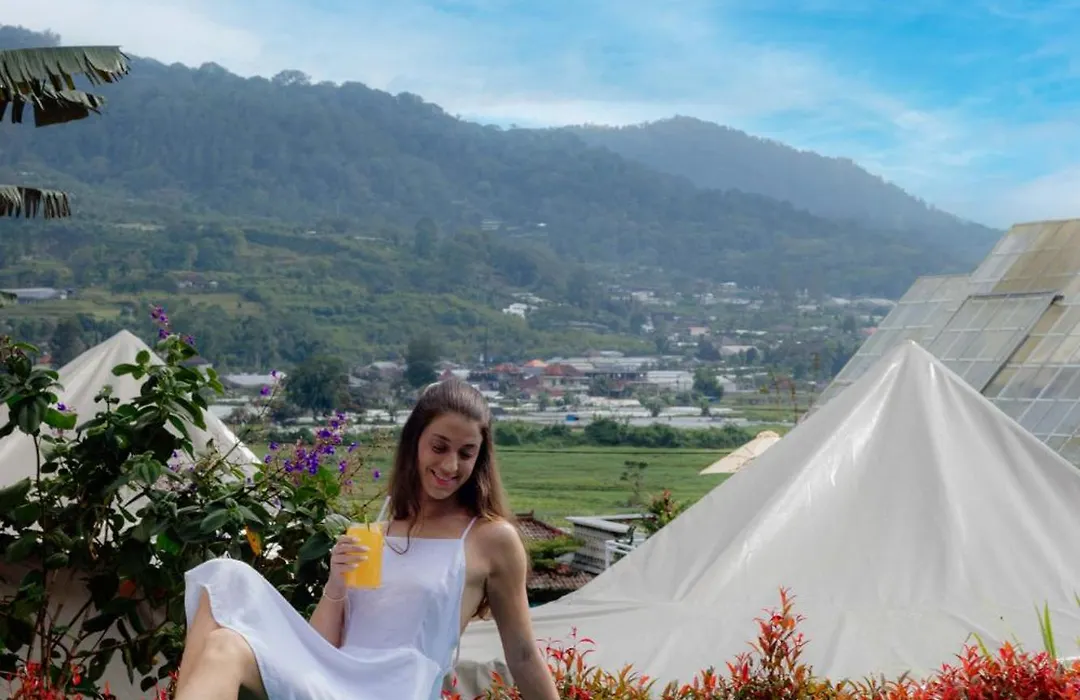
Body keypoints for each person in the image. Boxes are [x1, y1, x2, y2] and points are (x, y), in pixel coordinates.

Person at [173, 378, 559, 700]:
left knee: (225, 626)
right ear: (415, 442)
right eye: (439, 447)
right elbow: (322, 648)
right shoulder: (375, 534)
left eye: (466, 453)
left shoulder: (489, 538)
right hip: (336, 678)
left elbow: (523, 654)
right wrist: (336, 584)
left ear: (480, 459)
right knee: (223, 591)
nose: (450, 465)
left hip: (397, 688)